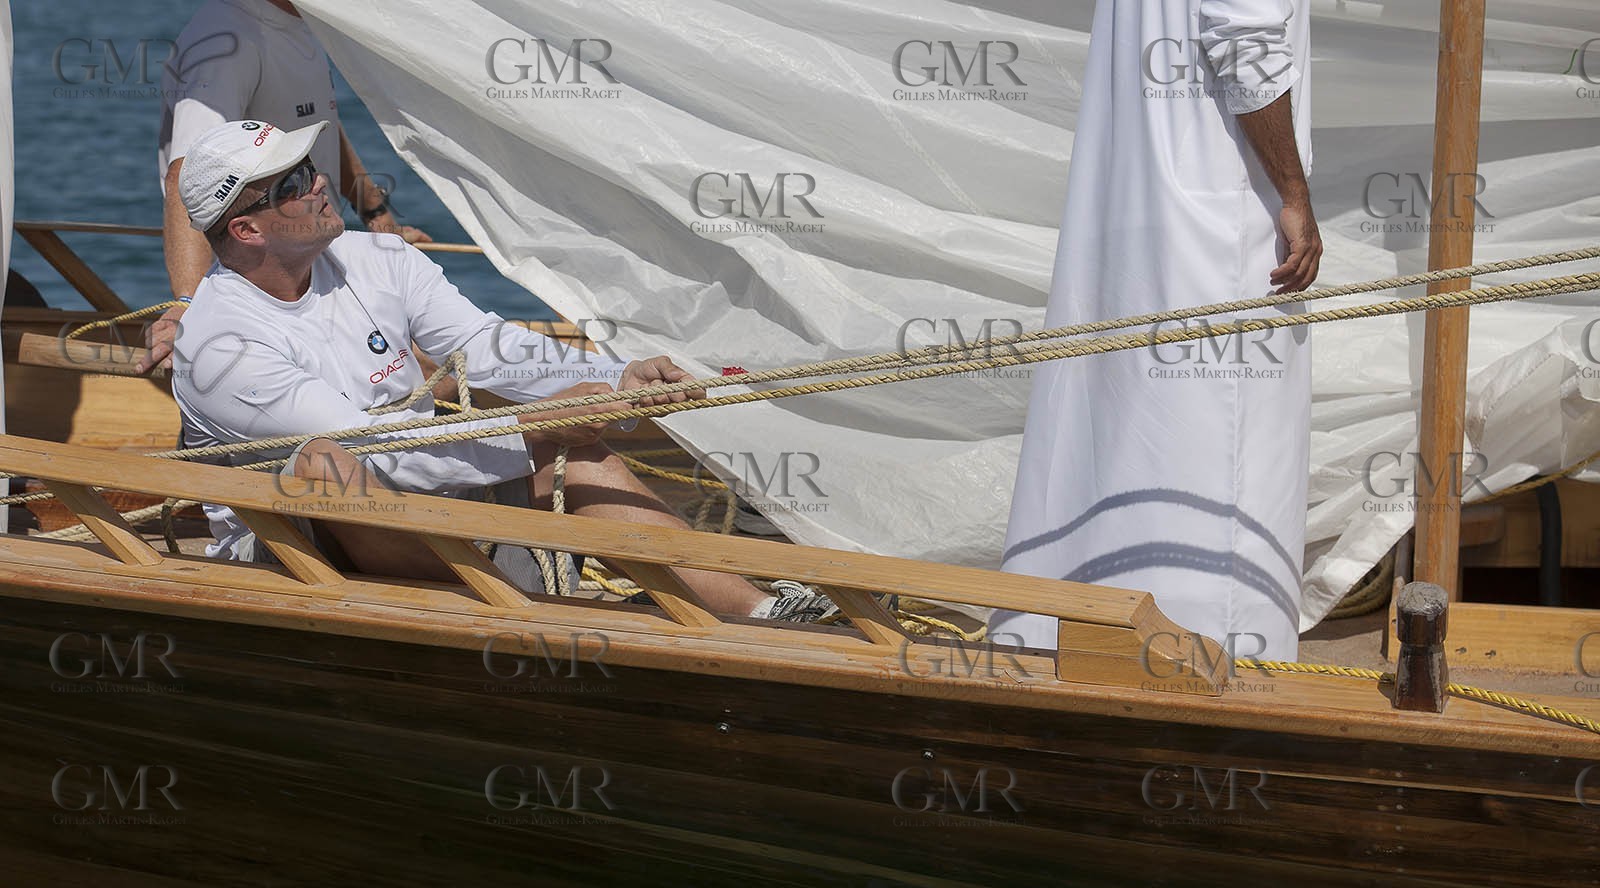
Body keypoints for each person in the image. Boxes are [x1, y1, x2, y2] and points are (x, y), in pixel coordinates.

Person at [169, 118, 835, 623]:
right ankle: (510, 617)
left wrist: (617, 378)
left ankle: (757, 614)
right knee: (326, 467)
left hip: (421, 513)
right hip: (289, 557)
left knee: (577, 450)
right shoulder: (220, 343)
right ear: (247, 231)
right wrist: (536, 428)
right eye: (291, 184)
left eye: (310, 166)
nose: (318, 184)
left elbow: (488, 348)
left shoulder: (378, 259)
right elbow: (371, 449)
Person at [991, 0, 1321, 661]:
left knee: (1121, 434)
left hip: (1146, 204)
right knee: (1208, 460)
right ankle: (1204, 664)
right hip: (1215, 223)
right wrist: (1293, 192)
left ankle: (1079, 638)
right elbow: (1244, 33)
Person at [142, 0, 431, 374]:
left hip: (307, 269)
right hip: (258, 288)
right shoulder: (225, 41)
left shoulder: (302, 22)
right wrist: (189, 304)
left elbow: (322, 123)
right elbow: (184, 171)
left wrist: (378, 219)